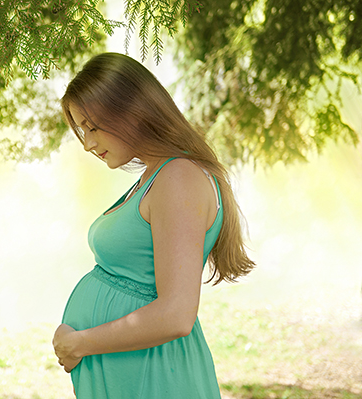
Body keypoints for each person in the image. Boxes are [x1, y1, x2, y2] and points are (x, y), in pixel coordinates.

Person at [52, 52, 255, 398]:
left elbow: (176, 314)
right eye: (80, 130)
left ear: (132, 111)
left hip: (157, 377)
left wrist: (80, 343)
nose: (87, 144)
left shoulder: (178, 177)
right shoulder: (157, 175)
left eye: (93, 126)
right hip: (138, 373)